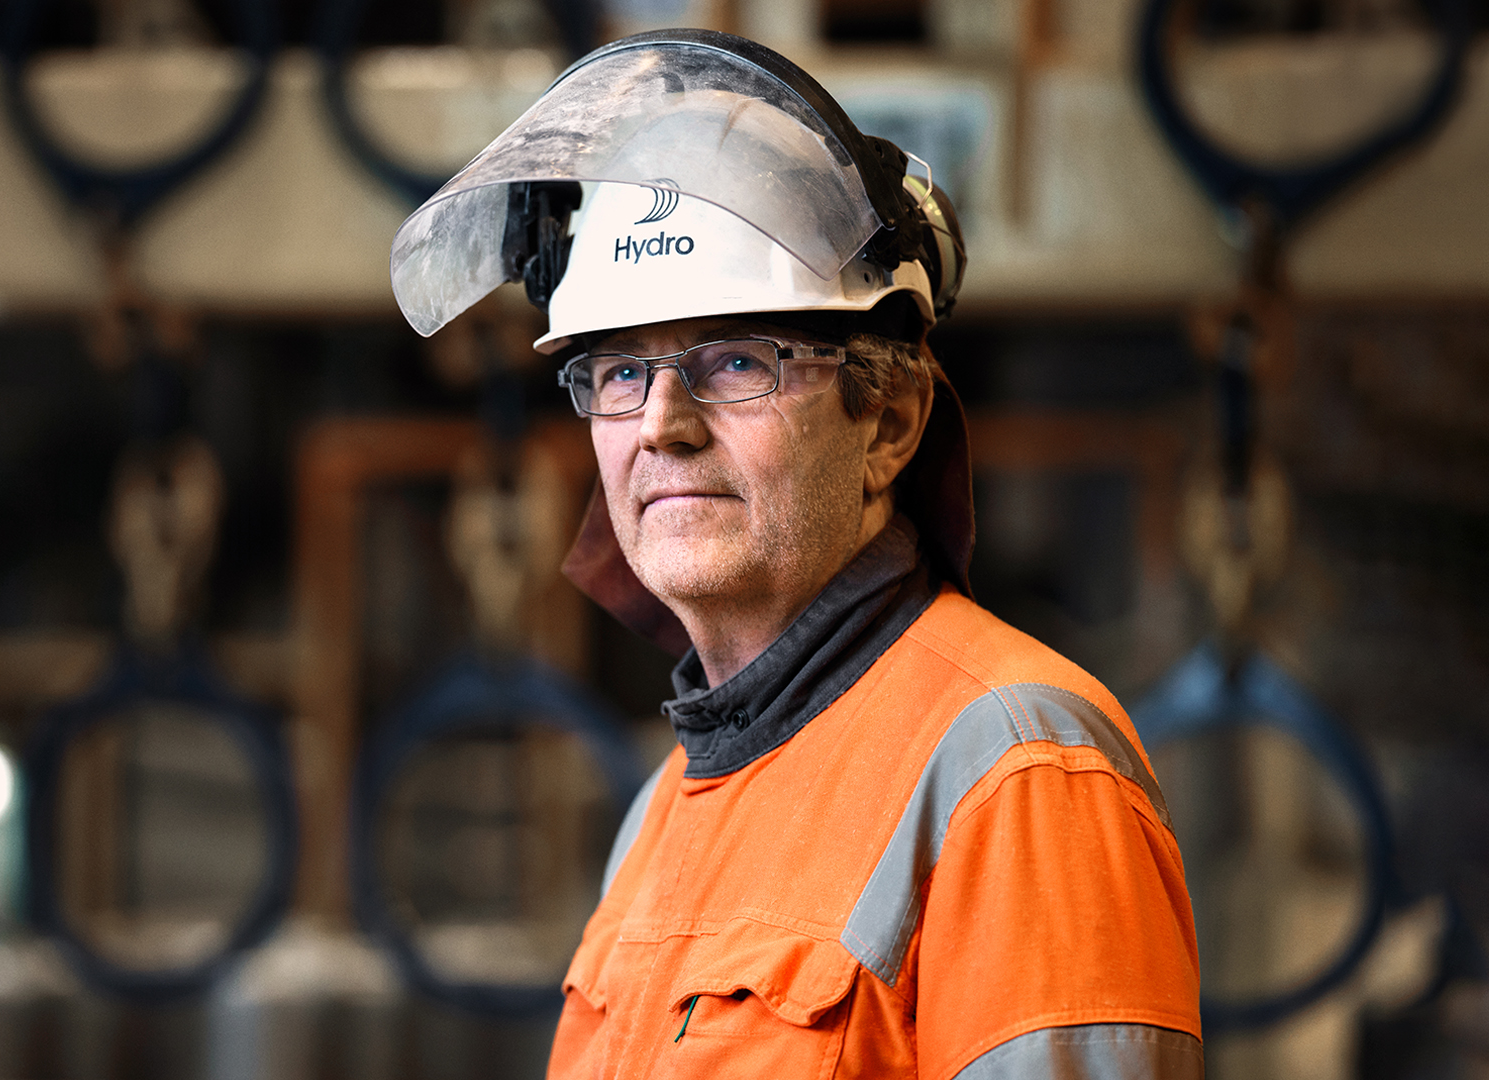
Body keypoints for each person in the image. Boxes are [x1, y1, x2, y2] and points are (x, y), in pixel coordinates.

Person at [390, 30, 1203, 1079]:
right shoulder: (663, 808)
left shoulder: (1018, 775)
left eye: (736, 362)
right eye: (620, 374)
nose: (662, 425)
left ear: (891, 422)